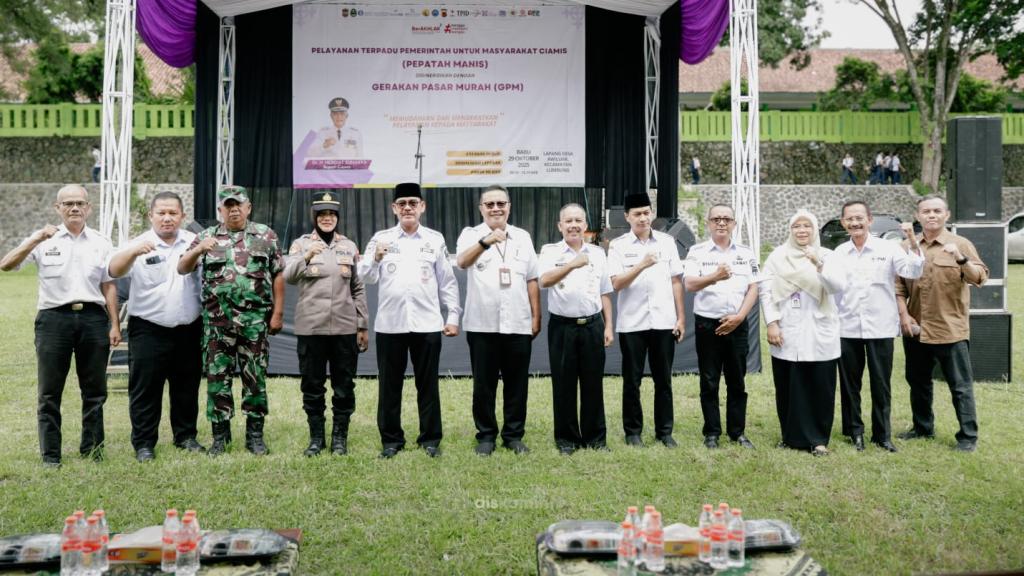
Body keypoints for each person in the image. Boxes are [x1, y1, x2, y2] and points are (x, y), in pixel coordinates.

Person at [0, 184, 121, 468]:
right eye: (68, 203)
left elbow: (109, 285)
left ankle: (92, 449)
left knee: (95, 390)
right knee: (49, 391)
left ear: (89, 207)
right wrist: (35, 239)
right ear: (58, 208)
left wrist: (115, 323)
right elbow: (6, 264)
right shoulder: (44, 238)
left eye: (79, 203)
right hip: (53, 320)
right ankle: (51, 455)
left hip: (93, 318)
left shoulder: (101, 242)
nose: (74, 208)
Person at [176, 185, 285, 456]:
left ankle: (255, 436)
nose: (234, 209)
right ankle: (220, 437)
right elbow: (182, 267)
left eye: (238, 205)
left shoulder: (266, 235)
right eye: (228, 205)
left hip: (254, 323)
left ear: (248, 208)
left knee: (255, 378)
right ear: (220, 210)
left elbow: (278, 274)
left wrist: (278, 313)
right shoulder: (206, 236)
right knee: (217, 380)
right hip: (217, 325)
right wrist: (198, 249)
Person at [357, 182, 461, 459]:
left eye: (413, 203)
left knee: (428, 385)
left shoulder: (434, 239)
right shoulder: (381, 238)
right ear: (394, 208)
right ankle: (391, 440)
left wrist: (452, 315)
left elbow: (447, 282)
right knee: (389, 386)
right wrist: (375, 258)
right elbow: (365, 276)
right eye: (402, 203)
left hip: (427, 324)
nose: (407, 208)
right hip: (390, 325)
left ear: (422, 207)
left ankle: (430, 439)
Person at [107, 191, 206, 462]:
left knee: (186, 386)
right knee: (145, 389)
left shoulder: (194, 241)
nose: (167, 218)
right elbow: (113, 271)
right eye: (161, 213)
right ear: (150, 215)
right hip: (149, 329)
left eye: (173, 213)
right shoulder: (138, 244)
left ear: (182, 216)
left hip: (188, 328)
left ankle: (185, 436)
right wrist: (132, 252)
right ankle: (144, 443)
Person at [896, 195, 988, 452]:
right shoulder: (906, 246)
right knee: (918, 382)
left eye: (937, 211)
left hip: (950, 329)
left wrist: (960, 258)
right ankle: (922, 427)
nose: (931, 215)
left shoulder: (961, 243)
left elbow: (979, 277)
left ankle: (968, 437)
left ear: (946, 215)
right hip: (917, 328)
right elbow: (898, 286)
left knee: (960, 387)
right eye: (926, 211)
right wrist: (904, 316)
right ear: (918, 216)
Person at [455, 185, 541, 456]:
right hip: (483, 324)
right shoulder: (470, 234)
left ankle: (513, 436)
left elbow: (532, 278)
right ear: (481, 208)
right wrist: (486, 241)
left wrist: (536, 315)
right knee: (484, 384)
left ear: (509, 207)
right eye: (490, 204)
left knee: (517, 384)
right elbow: (462, 262)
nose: (496, 208)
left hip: (518, 322)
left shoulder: (523, 237)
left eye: (501, 203)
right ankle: (486, 436)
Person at [833, 201, 923, 454]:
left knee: (881, 383)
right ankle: (855, 431)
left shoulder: (888, 248)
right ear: (843, 222)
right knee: (850, 384)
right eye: (850, 219)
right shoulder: (839, 252)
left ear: (869, 220)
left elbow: (912, 271)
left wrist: (912, 242)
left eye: (859, 218)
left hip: (881, 326)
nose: (855, 223)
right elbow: (832, 288)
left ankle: (882, 435)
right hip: (847, 326)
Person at [284, 192, 369, 457]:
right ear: (315, 217)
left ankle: (340, 438)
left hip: (344, 328)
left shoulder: (348, 246)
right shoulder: (301, 244)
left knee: (344, 386)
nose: (327, 218)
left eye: (331, 214)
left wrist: (362, 325)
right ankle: (316, 439)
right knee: (312, 385)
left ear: (337, 218)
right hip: (312, 328)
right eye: (322, 214)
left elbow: (357, 287)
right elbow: (288, 276)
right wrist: (307, 256)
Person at [760, 210, 845, 456]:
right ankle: (790, 436)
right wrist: (772, 323)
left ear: (815, 229)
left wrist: (818, 264)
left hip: (819, 330)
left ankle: (818, 440)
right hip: (786, 329)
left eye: (807, 225)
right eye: (797, 226)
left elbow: (837, 286)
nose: (802, 230)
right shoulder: (777, 256)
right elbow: (766, 291)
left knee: (820, 385)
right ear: (790, 230)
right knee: (789, 386)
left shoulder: (828, 255)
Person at [607, 193, 685, 448]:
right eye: (637, 214)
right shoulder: (618, 245)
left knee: (664, 380)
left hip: (664, 321)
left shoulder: (667, 242)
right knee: (632, 380)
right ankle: (633, 432)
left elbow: (676, 281)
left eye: (646, 212)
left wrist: (681, 318)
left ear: (652, 213)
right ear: (627, 217)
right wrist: (641, 265)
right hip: (632, 323)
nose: (643, 218)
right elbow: (616, 283)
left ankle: (665, 432)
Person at [538, 204, 614, 455]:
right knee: (564, 384)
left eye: (578, 221)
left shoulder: (598, 253)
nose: (573, 225)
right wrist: (572, 264)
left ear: (585, 226)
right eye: (568, 221)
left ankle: (595, 439)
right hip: (562, 327)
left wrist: (608, 326)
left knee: (593, 383)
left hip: (592, 325)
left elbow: (605, 292)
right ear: (560, 226)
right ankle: (567, 440)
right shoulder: (550, 251)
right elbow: (544, 280)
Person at [684, 204, 760, 450]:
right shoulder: (697, 252)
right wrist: (714, 277)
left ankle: (737, 432)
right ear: (708, 223)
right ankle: (712, 433)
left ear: (734, 224)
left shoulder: (746, 253)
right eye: (716, 218)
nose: (721, 223)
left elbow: (754, 287)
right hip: (708, 325)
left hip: (737, 323)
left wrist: (740, 316)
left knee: (737, 380)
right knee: (709, 380)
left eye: (726, 219)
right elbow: (690, 284)